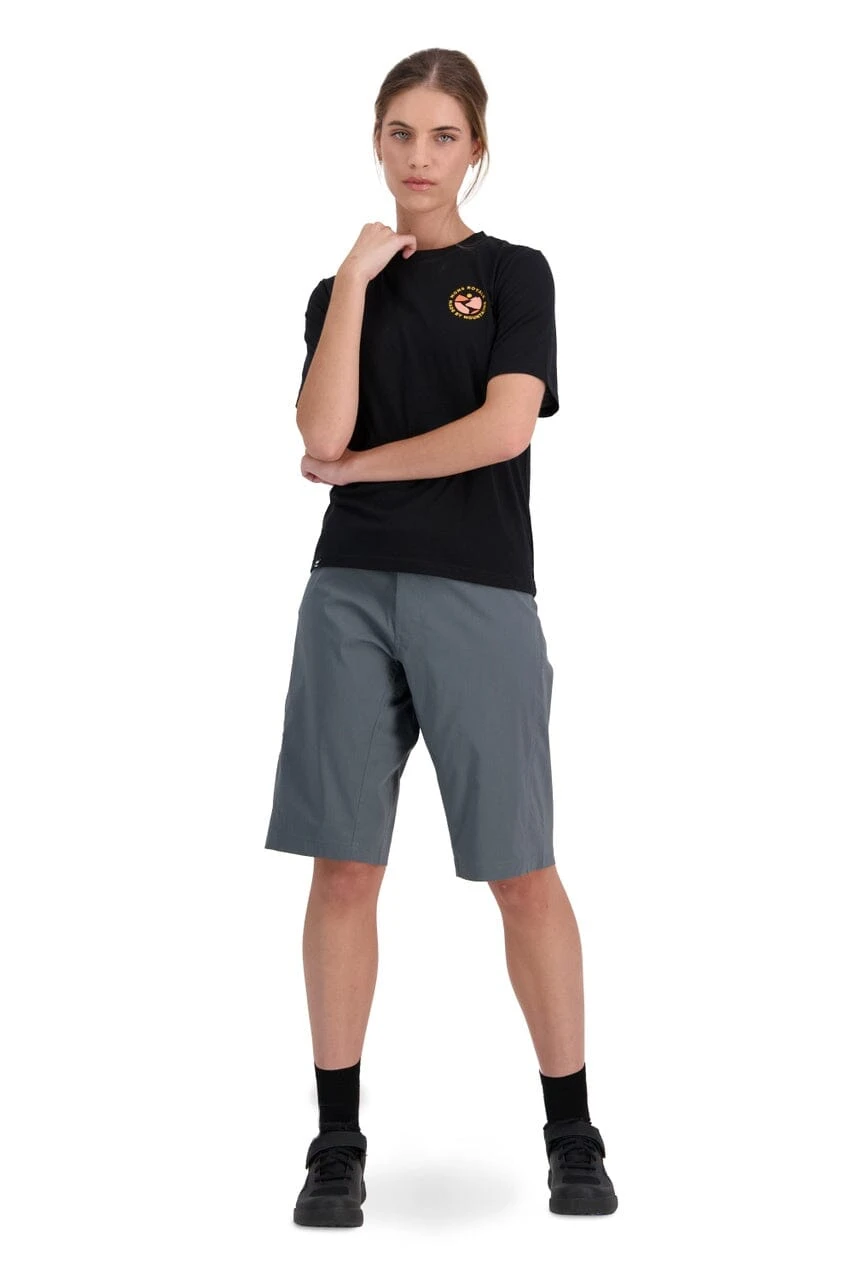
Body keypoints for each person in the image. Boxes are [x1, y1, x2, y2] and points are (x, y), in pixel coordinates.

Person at [264, 47, 618, 1228]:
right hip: (348, 593)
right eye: (401, 134)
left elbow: (503, 429)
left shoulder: (514, 273)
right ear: (377, 142)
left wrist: (360, 470)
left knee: (520, 867)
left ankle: (572, 1132)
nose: (420, 157)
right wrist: (354, 283)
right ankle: (335, 1142)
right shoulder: (339, 289)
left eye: (443, 136)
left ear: (476, 148)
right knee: (342, 865)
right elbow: (319, 428)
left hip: (479, 590)